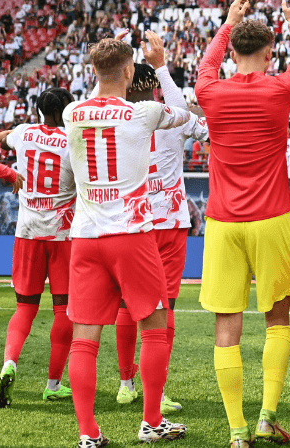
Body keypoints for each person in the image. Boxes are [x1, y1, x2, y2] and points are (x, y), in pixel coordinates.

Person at [63, 36, 193, 447]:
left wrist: (107, 62)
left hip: (85, 237)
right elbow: (186, 115)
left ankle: (88, 434)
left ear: (93, 72)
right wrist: (162, 66)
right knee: (154, 327)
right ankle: (151, 421)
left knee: (84, 337)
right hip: (132, 235)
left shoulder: (71, 112)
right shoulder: (145, 112)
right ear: (130, 72)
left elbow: (95, 96)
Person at [196, 0, 290, 448]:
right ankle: (266, 415)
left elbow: (207, 65)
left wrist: (227, 23)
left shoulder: (210, 92)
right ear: (268, 54)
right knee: (277, 320)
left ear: (232, 53)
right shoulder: (280, 89)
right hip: (271, 219)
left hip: (223, 223)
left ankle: (237, 432)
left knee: (227, 327)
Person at [113, 31, 209, 415]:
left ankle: (125, 384)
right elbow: (207, 131)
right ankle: (159, 390)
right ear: (153, 86)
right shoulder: (175, 116)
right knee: (164, 307)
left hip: (129, 221)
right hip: (168, 222)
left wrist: (115, 57)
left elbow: (99, 102)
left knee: (125, 304)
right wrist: (162, 66)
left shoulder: (114, 118)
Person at [0, 90, 72, 407]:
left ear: (39, 110)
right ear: (64, 110)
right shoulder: (73, 141)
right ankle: (53, 384)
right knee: (63, 311)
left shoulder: (24, 134)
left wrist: (8, 158)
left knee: (25, 308)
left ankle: (9, 362)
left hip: (27, 233)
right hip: (62, 236)